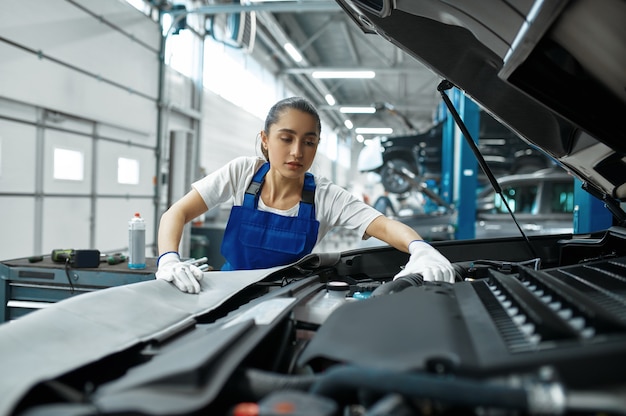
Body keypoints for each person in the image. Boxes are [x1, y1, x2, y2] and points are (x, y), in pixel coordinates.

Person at [155, 97, 455, 293]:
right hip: (226, 291)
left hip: (288, 298)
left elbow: (385, 225)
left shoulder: (325, 196)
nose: (297, 152)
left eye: (309, 142)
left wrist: (419, 248)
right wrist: (168, 259)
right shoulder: (242, 173)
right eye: (286, 139)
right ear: (265, 139)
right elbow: (176, 213)